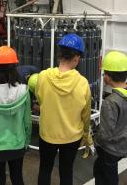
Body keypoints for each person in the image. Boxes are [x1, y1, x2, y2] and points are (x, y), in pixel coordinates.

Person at [35, 33, 92, 185]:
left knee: (45, 169)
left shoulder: (43, 76)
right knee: (66, 171)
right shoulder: (83, 83)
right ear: (76, 58)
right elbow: (86, 115)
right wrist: (86, 133)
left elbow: (40, 100)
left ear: (59, 55)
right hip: (72, 137)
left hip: (48, 134)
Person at [0, 46, 32, 185]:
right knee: (17, 179)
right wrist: (26, 142)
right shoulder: (24, 91)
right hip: (17, 144)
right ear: (15, 67)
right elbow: (27, 122)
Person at [94, 51, 127, 185]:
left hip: (109, 150)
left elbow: (105, 134)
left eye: (104, 72)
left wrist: (95, 141)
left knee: (104, 176)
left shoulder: (111, 102)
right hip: (125, 145)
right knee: (108, 171)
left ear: (108, 77)